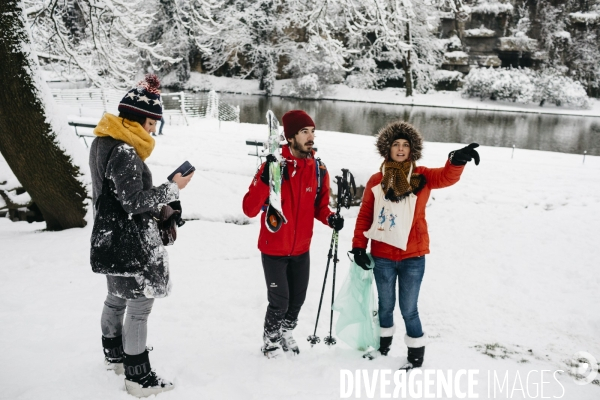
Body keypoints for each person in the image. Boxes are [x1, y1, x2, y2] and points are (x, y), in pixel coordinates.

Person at [89, 74, 194, 397]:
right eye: (152, 122)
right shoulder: (124, 152)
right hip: (130, 244)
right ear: (136, 118)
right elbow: (133, 202)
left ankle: (115, 355)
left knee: (116, 299)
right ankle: (138, 377)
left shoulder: (102, 142)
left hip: (108, 239)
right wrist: (171, 187)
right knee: (139, 305)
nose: (153, 130)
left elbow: (115, 195)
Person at [350, 121, 479, 370]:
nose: (400, 149)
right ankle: (383, 348)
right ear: (387, 149)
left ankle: (415, 357)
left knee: (409, 309)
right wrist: (358, 246)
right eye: (396, 145)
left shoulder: (423, 176)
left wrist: (456, 160)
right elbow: (366, 214)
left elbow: (445, 177)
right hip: (383, 255)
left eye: (405, 145)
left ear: (412, 150)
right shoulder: (377, 180)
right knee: (385, 306)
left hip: (413, 256)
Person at [242, 110, 344, 359]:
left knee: (297, 301)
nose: (310, 137)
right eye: (304, 132)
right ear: (290, 137)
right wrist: (265, 180)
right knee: (280, 301)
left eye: (312, 131)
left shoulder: (318, 168)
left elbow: (319, 207)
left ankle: (286, 332)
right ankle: (270, 340)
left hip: (301, 249)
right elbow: (249, 208)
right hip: (274, 247)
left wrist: (330, 218)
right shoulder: (274, 165)